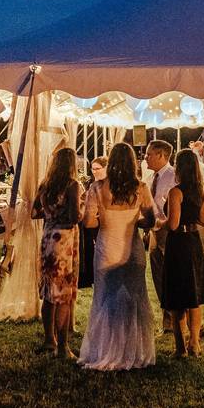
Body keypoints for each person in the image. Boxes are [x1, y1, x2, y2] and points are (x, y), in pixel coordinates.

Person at [79, 142, 156, 371]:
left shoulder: (97, 188)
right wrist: (133, 220)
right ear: (133, 163)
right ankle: (132, 352)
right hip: (132, 251)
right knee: (134, 300)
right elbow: (150, 219)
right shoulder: (140, 187)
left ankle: (106, 350)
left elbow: (89, 221)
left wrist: (106, 219)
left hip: (107, 249)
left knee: (105, 300)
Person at [31, 147, 84, 359]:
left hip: (47, 239)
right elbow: (74, 216)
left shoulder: (45, 185)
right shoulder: (72, 185)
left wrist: (51, 214)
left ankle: (48, 340)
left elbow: (35, 212)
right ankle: (63, 347)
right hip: (64, 241)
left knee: (48, 293)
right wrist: (82, 208)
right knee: (62, 294)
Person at [161, 149, 204, 357]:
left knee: (177, 295)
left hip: (178, 244)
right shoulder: (199, 191)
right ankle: (195, 343)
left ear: (179, 168)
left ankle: (180, 347)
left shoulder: (176, 192)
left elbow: (173, 224)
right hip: (193, 242)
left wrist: (157, 223)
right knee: (194, 295)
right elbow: (203, 220)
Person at [145, 140, 177, 332]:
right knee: (158, 276)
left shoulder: (173, 176)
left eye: (149, 154)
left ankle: (176, 318)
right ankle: (167, 318)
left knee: (171, 276)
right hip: (154, 231)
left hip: (168, 231)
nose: (146, 157)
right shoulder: (151, 177)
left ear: (161, 155)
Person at [78, 157, 107, 289]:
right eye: (93, 169)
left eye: (97, 169)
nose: (94, 171)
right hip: (91, 223)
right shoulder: (93, 184)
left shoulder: (107, 185)